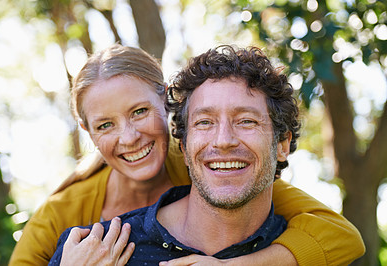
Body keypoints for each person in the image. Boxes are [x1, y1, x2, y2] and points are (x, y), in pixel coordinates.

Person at [47, 45, 365, 266]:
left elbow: (347, 238)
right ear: (183, 147)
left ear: (282, 144)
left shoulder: (313, 257)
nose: (223, 141)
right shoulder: (91, 250)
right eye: (204, 123)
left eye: (246, 121)